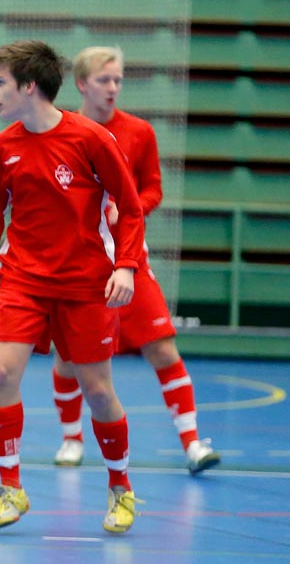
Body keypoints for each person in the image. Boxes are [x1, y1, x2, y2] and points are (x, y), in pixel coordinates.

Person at [0, 39, 146, 535]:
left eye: (1, 82)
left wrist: (125, 266)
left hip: (84, 285)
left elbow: (130, 206)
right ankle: (10, 487)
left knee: (98, 391)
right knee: (0, 373)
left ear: (28, 87)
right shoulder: (3, 148)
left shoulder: (90, 140)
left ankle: (121, 489)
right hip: (22, 281)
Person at [49, 46, 221, 476]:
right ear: (82, 84)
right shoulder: (58, 131)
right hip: (78, 266)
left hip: (129, 260)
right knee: (68, 359)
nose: (113, 88)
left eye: (119, 80)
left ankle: (192, 443)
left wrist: (130, 210)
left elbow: (153, 190)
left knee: (163, 348)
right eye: (105, 80)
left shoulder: (139, 133)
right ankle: (71, 438)